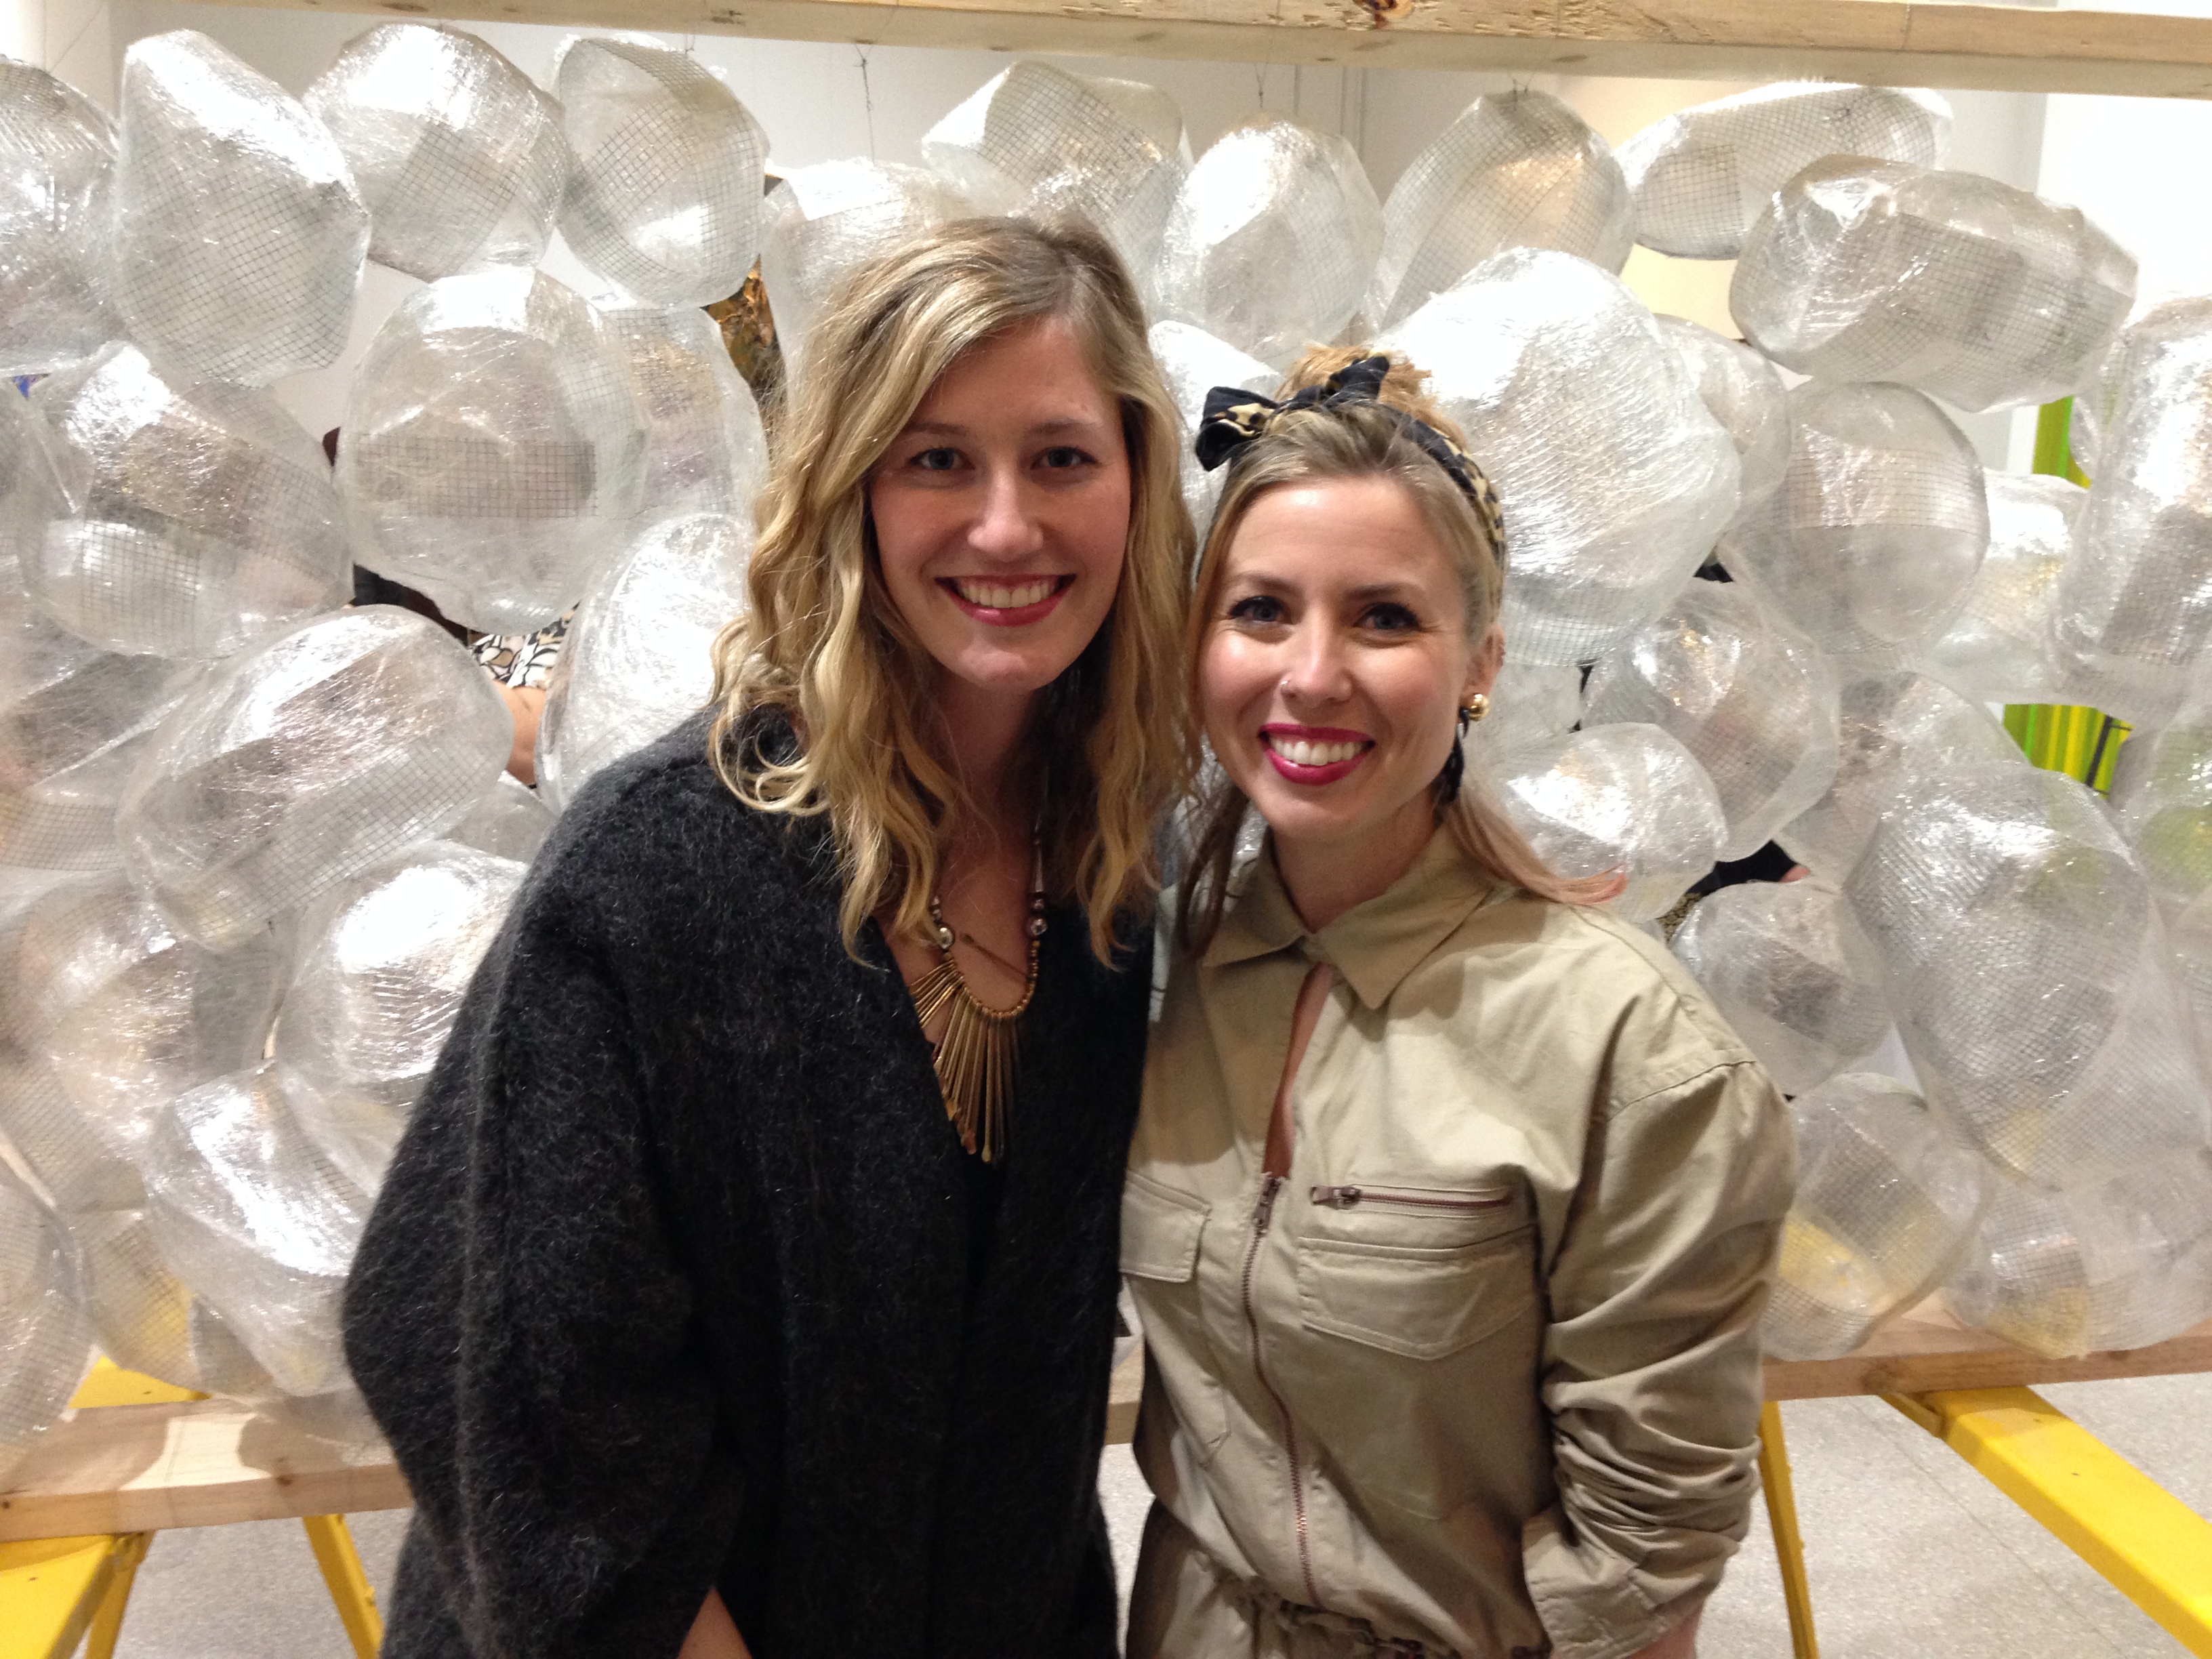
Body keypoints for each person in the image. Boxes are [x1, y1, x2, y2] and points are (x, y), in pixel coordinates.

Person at [342, 218, 1192, 1659]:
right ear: (851, 488)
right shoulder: (664, 867)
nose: (1006, 526)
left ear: (1135, 481)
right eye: (937, 460)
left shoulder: (1108, 867)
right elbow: (470, 1349)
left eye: (1060, 456)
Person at [1122, 352, 1794, 1659]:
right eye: (1261, 611)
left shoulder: (1631, 1057)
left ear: (1482, 660)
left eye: (1384, 619)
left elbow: (1646, 1570)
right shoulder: (1164, 981)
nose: (1312, 675)